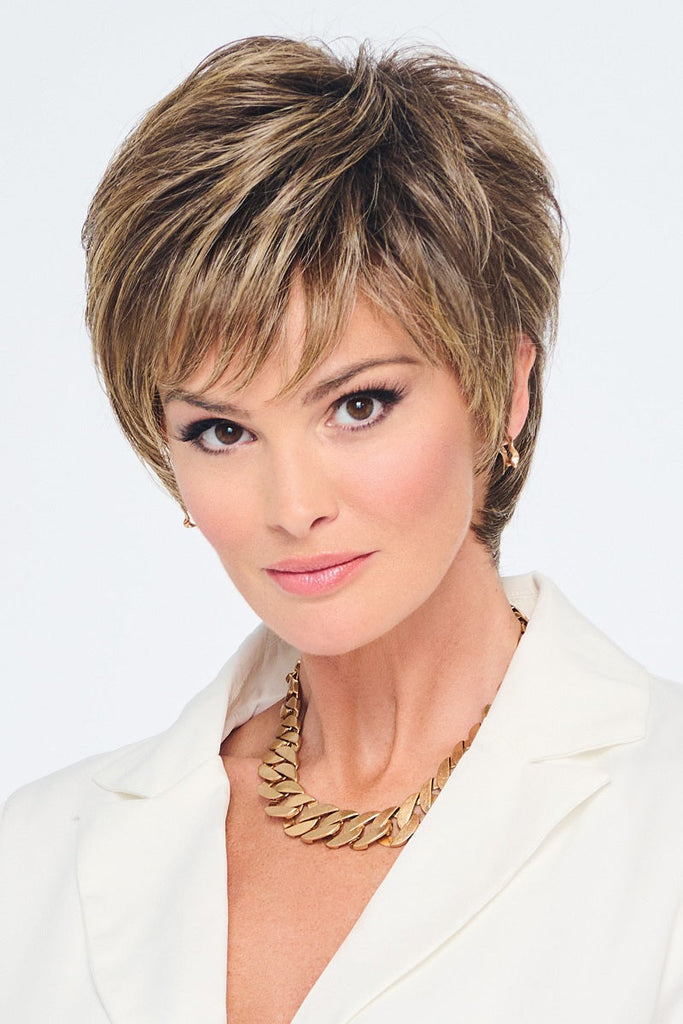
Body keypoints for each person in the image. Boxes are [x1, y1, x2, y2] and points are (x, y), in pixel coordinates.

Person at [1, 35, 682, 1024]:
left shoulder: (662, 823)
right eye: (222, 429)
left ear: (503, 390)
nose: (292, 504)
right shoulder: (36, 862)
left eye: (357, 405)